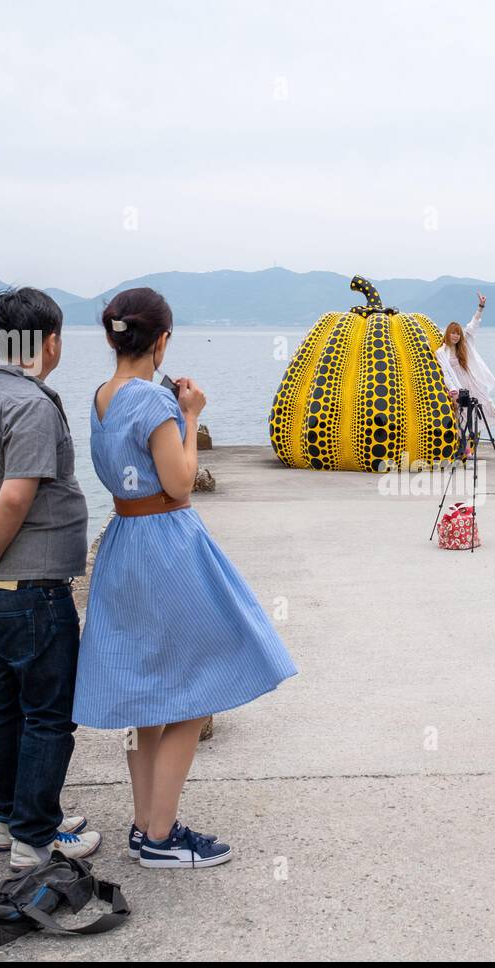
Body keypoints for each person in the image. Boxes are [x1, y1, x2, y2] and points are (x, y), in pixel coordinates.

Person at [72, 287, 297, 869]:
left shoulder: (100, 397)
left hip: (125, 541)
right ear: (162, 340)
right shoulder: (155, 403)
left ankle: (147, 824)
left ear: (111, 336)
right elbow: (179, 482)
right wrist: (192, 415)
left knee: (153, 691)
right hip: (167, 544)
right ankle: (162, 836)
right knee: (198, 690)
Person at [0, 287, 101, 870]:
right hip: (30, 589)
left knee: (2, 701)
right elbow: (17, 493)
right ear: (51, 342)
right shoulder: (32, 404)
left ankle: (8, 821)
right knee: (49, 713)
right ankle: (37, 837)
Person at [435, 291, 495, 448]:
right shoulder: (441, 352)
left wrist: (481, 307)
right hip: (460, 390)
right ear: (447, 333)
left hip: (474, 383)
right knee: (462, 420)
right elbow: (445, 373)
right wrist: (453, 390)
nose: (456, 336)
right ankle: (465, 453)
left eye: (458, 334)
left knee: (492, 410)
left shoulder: (464, 344)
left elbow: (473, 325)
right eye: (453, 333)